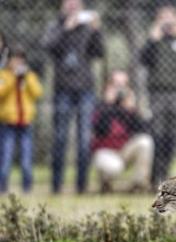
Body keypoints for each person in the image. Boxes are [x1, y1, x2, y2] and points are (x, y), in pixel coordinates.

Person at [41, 0, 104, 194]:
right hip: (63, 89)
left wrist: (96, 31)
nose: (72, 5)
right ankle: (56, 185)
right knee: (60, 137)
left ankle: (81, 185)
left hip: (85, 88)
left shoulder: (88, 27)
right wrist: (66, 29)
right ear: (62, 5)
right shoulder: (56, 25)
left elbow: (99, 52)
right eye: (69, 2)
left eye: (76, 2)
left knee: (84, 139)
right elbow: (47, 46)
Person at [139, 5, 176, 185]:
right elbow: (143, 59)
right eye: (163, 16)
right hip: (157, 93)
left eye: (170, 16)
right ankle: (154, 175)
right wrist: (153, 38)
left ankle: (166, 173)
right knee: (157, 134)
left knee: (172, 135)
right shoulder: (154, 40)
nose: (167, 20)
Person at [91, 70, 154, 193]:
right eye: (116, 84)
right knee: (115, 167)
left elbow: (143, 130)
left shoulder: (128, 106)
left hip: (124, 151)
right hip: (105, 151)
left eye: (123, 84)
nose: (120, 88)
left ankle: (138, 185)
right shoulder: (100, 105)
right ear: (108, 86)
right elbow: (100, 130)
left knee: (145, 142)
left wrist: (132, 110)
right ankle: (106, 184)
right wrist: (108, 104)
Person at [0, 47, 43, 193]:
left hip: (26, 122)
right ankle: (2, 187)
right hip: (8, 122)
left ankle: (27, 187)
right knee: (6, 156)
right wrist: (13, 78)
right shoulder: (4, 75)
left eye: (21, 59)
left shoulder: (29, 76)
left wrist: (25, 78)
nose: (18, 63)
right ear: (9, 61)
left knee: (26, 157)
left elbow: (38, 93)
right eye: (15, 59)